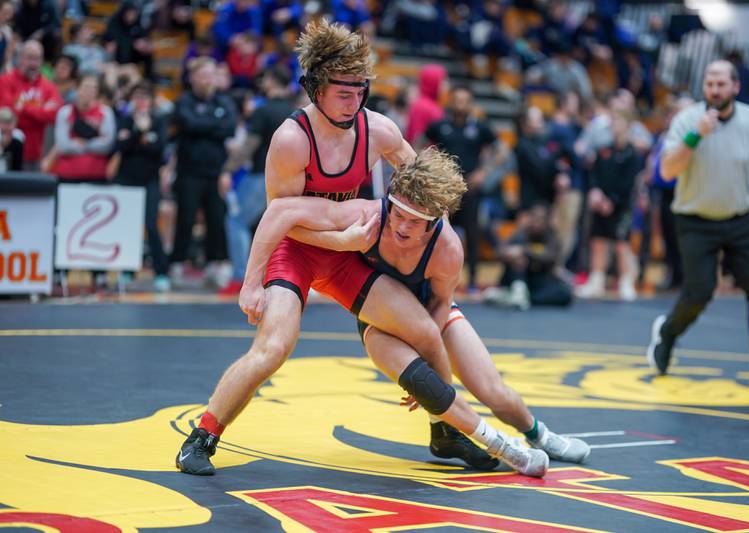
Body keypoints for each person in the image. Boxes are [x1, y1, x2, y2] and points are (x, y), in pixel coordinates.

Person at [174, 20, 513, 476]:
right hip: (296, 249)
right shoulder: (292, 139)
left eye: (360, 93)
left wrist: (441, 226)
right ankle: (202, 436)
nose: (354, 104)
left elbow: (424, 186)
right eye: (343, 94)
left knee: (428, 334)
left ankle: (444, 432)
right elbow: (281, 220)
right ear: (315, 89)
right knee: (273, 347)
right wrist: (252, 283)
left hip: (347, 253)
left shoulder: (378, 130)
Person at [235, 147, 590, 467]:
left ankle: (539, 435)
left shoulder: (448, 249)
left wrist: (431, 366)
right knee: (425, 381)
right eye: (398, 214)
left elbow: (439, 303)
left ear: (434, 221)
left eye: (414, 222)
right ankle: (451, 431)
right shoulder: (370, 216)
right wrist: (340, 242)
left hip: (434, 315)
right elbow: (289, 214)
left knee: (494, 392)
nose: (402, 226)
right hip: (381, 320)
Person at [647, 60, 749, 391]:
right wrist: (696, 136)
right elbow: (667, 171)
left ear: (735, 87)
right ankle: (667, 334)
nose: (714, 90)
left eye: (721, 84)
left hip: (740, 220)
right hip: (695, 220)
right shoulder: (686, 120)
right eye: (709, 84)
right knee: (699, 293)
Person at [218, 65, 297, 295]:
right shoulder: (296, 111)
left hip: (262, 176)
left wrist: (228, 169)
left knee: (237, 220)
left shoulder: (263, 111)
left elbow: (249, 146)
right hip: (292, 178)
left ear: (270, 81)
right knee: (283, 229)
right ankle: (285, 277)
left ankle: (240, 277)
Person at [424, 85, 505, 292]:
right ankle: (432, 279)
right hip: (444, 191)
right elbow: (419, 144)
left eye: (464, 100)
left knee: (472, 233)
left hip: (470, 191)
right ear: (450, 102)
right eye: (457, 100)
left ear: (471, 104)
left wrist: (484, 172)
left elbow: (501, 151)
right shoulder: (440, 125)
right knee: (437, 234)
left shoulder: (480, 127)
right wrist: (429, 167)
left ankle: (473, 281)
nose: (460, 104)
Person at [169, 57, 237, 287]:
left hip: (216, 172)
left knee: (216, 219)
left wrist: (203, 125)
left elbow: (228, 128)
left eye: (211, 75)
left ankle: (214, 265)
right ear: (193, 77)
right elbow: (189, 124)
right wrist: (211, 125)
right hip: (188, 171)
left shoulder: (224, 102)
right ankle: (177, 263)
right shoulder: (183, 101)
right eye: (203, 75)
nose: (208, 79)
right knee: (185, 218)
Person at [576, 112, 643, 301]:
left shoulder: (633, 154)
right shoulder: (603, 150)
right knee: (598, 242)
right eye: (613, 123)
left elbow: (628, 183)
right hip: (600, 204)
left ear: (628, 126)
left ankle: (626, 281)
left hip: (621, 206)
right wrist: (596, 192)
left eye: (619, 123)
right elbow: (594, 174)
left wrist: (611, 201)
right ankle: (596, 280)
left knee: (622, 245)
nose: (615, 127)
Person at [114, 81, 170, 292]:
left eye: (145, 97)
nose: (141, 101)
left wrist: (137, 139)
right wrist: (140, 132)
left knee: (151, 225)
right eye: (137, 97)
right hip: (127, 180)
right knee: (128, 226)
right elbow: (120, 147)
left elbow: (159, 149)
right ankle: (128, 269)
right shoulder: (125, 120)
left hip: (149, 180)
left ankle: (161, 272)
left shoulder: (159, 121)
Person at [0, 40, 62, 170]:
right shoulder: (5, 81)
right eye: (29, 58)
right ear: (20, 58)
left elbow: (55, 115)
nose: (33, 63)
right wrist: (40, 110)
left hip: (37, 155)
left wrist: (22, 107)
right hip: (9, 153)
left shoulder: (48, 86)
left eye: (37, 58)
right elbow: (7, 114)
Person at [0, 107, 24, 172]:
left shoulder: (18, 141)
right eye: (4, 122)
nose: (7, 126)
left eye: (9, 123)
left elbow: (17, 168)